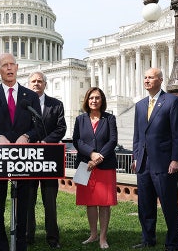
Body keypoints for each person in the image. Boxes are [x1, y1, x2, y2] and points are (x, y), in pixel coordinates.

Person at [0, 53, 41, 251]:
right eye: (5, 65)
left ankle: (21, 244)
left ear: (17, 67)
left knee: (23, 205)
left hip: (23, 159)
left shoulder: (30, 96)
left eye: (12, 64)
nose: (9, 68)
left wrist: (27, 137)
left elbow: (39, 126)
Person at [132, 68, 178, 251]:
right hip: (143, 163)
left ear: (160, 80)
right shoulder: (139, 105)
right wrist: (136, 156)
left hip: (164, 163)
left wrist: (176, 159)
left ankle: (173, 242)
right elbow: (137, 135)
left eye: (150, 77)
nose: (146, 80)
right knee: (145, 205)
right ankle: (148, 239)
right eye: (145, 77)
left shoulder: (172, 101)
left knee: (169, 204)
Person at [25, 71, 67, 248]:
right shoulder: (23, 105)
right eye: (33, 81)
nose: (36, 84)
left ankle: (53, 238)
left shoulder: (56, 104)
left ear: (45, 84)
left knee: (50, 201)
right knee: (28, 200)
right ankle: (28, 236)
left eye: (39, 81)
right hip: (27, 158)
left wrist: (44, 142)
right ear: (29, 84)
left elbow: (61, 128)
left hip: (49, 158)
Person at [72, 87, 118, 250]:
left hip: (105, 165)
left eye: (97, 98)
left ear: (102, 100)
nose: (94, 100)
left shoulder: (110, 118)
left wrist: (98, 158)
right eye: (91, 98)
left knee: (104, 203)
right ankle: (93, 234)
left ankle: (103, 237)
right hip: (84, 165)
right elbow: (77, 140)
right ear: (87, 100)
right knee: (89, 202)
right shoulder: (80, 119)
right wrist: (91, 154)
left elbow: (112, 141)